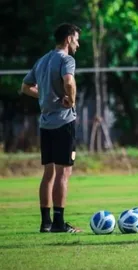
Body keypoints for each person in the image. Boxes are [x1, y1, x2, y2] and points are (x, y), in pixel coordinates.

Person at [21, 23, 82, 233]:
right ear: (67, 39)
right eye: (76, 39)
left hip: (45, 124)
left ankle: (45, 223)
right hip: (64, 122)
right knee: (64, 173)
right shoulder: (67, 59)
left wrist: (45, 95)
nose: (78, 44)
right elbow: (69, 82)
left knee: (48, 174)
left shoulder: (42, 60)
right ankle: (58, 222)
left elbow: (25, 87)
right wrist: (71, 101)